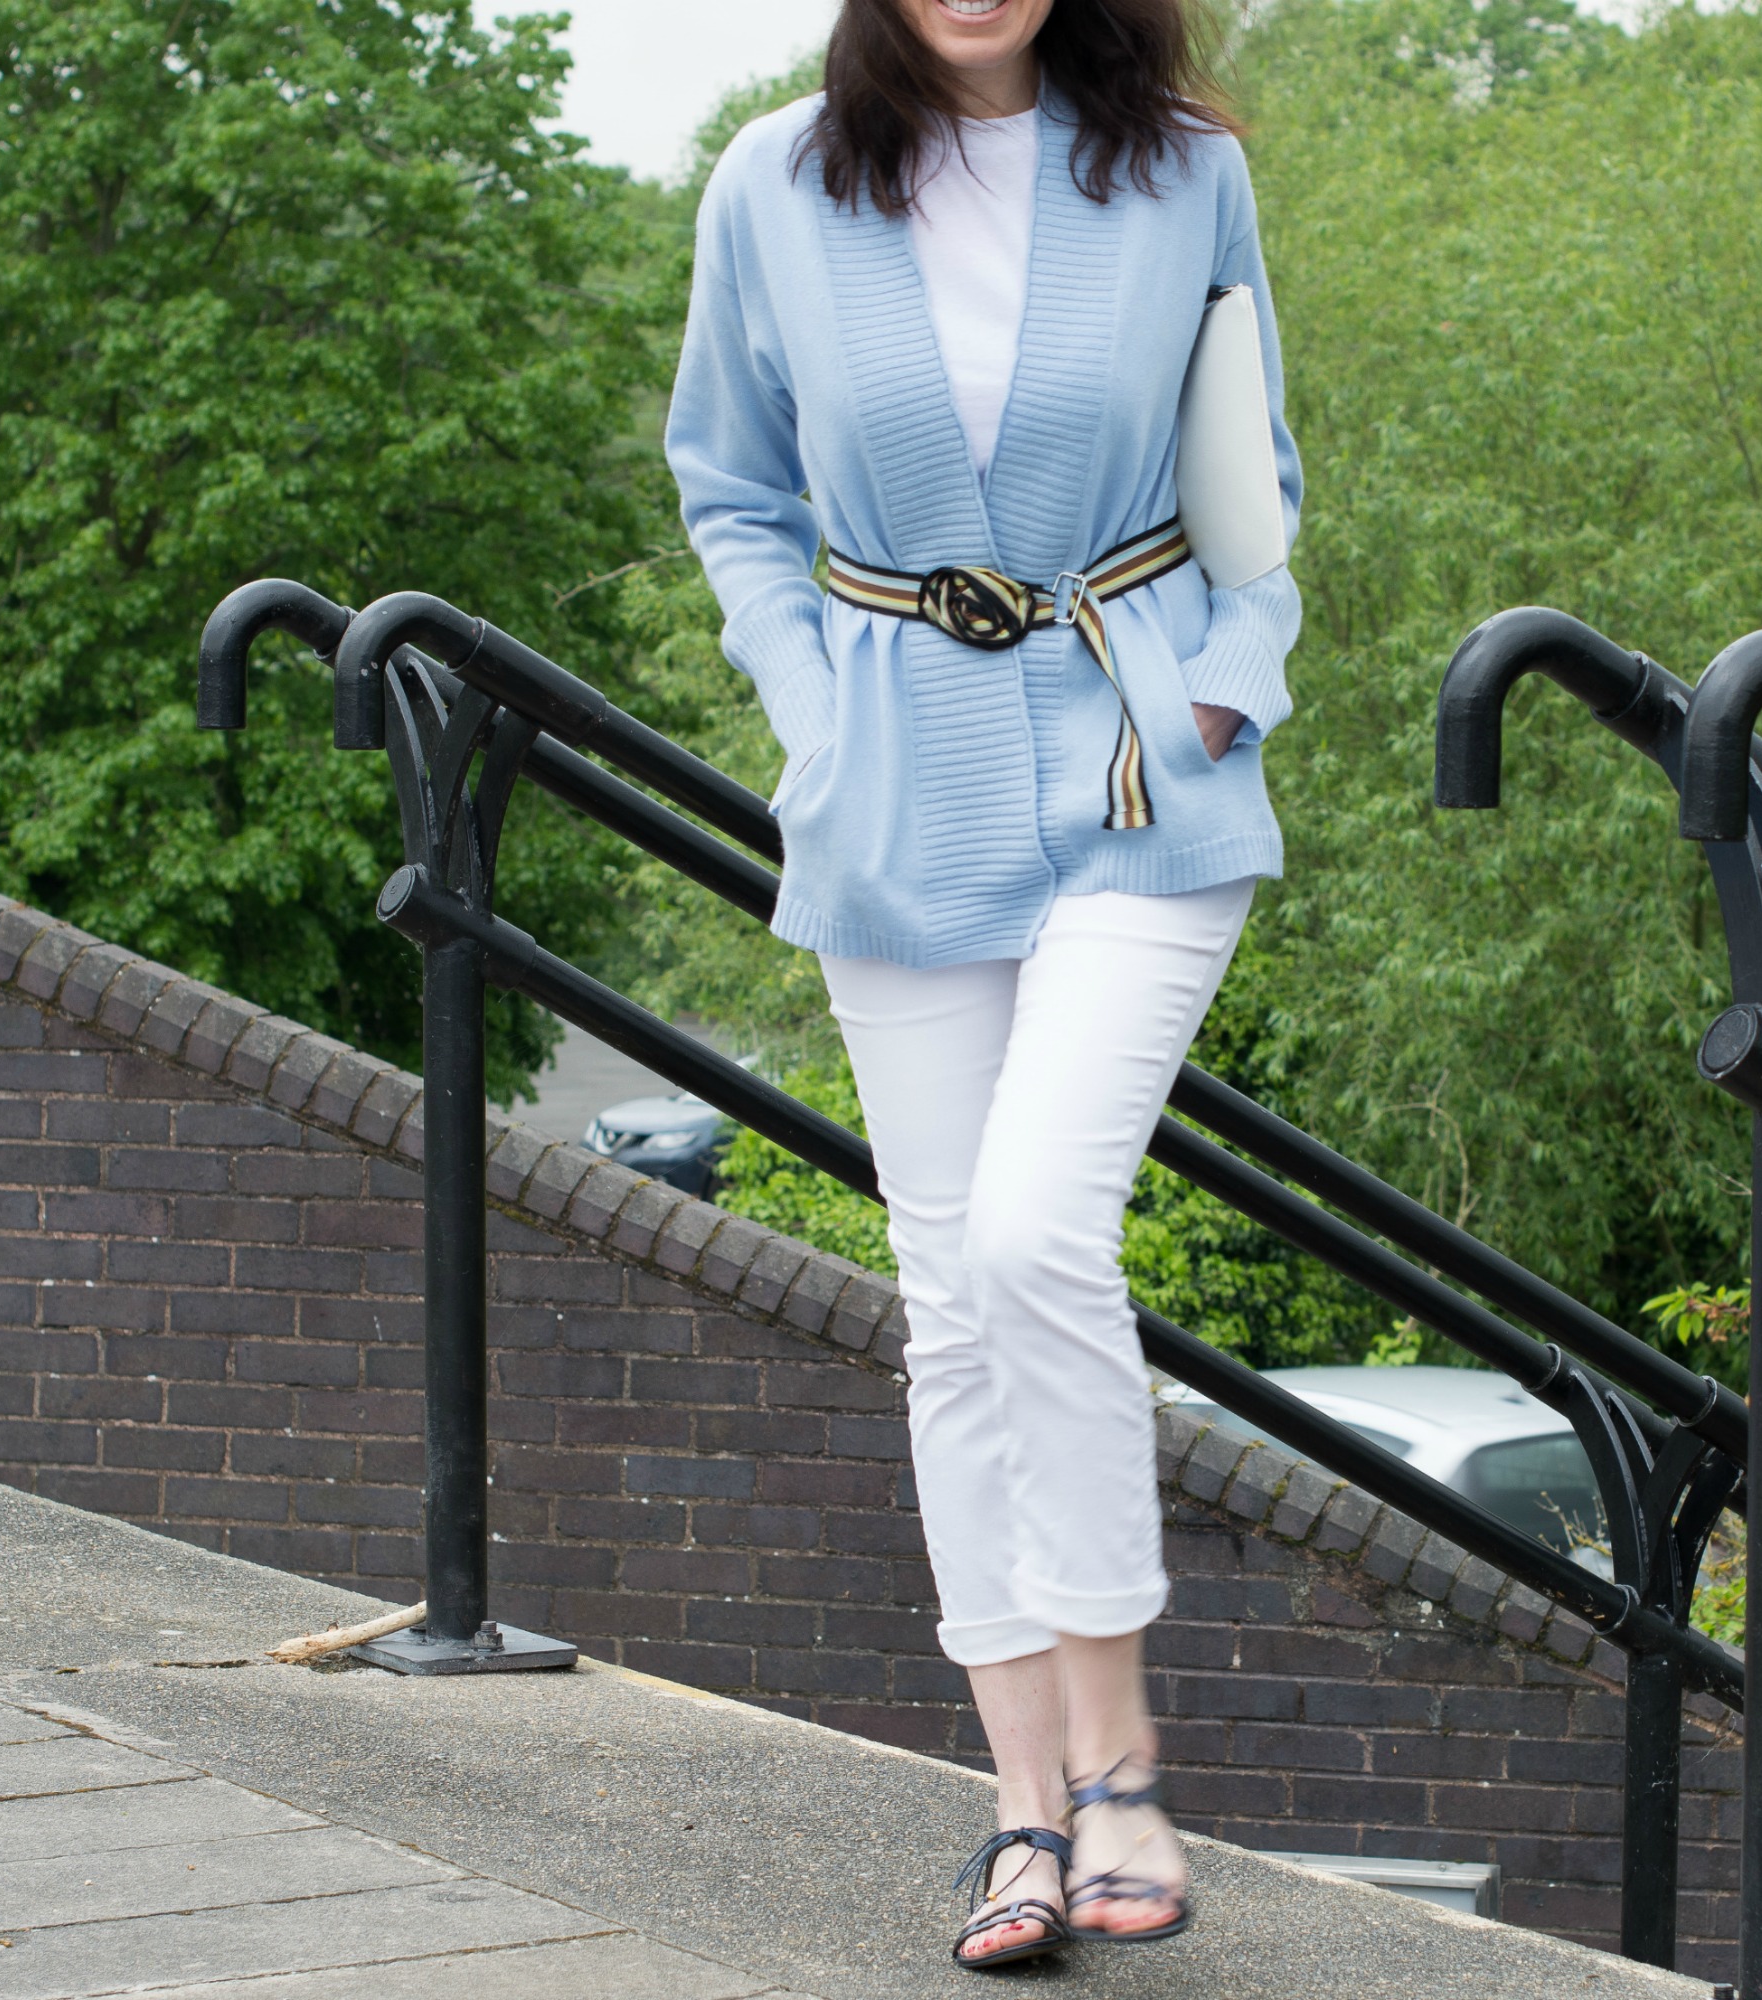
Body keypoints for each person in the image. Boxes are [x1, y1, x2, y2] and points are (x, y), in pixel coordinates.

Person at [664, 0, 1299, 1971]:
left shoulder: (1188, 170)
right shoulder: (773, 181)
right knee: (948, 1288)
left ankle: (1123, 1766)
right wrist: (812, 712)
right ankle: (1023, 1804)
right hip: (895, 791)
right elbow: (733, 489)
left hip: (1131, 765)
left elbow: (1255, 490)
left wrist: (1223, 683)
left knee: (1036, 1233)